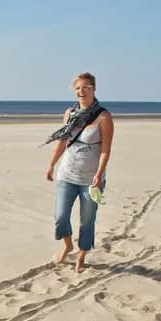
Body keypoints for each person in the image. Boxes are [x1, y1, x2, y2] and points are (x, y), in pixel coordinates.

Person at [45, 72, 115, 272]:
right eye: (77, 88)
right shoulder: (69, 113)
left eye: (86, 87)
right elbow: (62, 141)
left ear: (94, 89)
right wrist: (51, 164)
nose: (81, 91)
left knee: (87, 220)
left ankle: (81, 255)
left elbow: (105, 149)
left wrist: (99, 174)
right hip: (67, 173)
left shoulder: (104, 116)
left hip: (90, 179)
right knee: (60, 216)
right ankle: (67, 245)